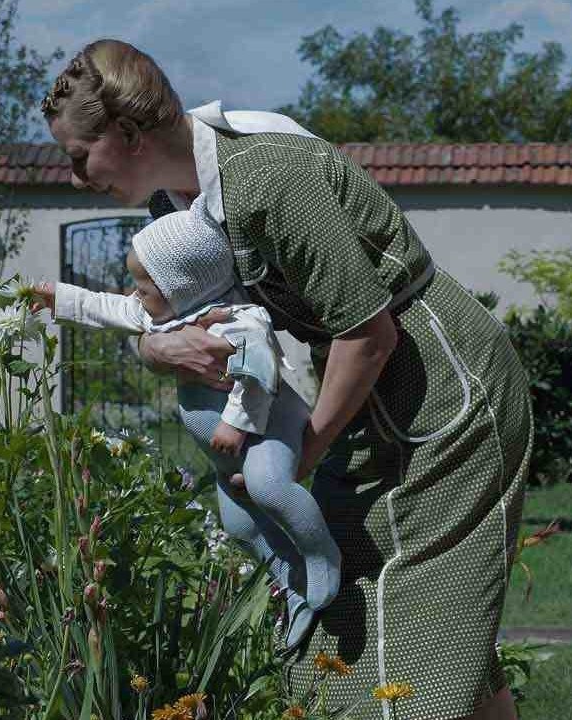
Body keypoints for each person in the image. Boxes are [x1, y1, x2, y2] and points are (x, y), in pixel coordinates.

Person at [40, 39, 534, 720]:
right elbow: (180, 323)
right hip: (369, 394)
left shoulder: (268, 177)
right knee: (387, 606)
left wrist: (302, 456)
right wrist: (161, 353)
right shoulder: (179, 210)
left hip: (439, 382)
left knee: (394, 609)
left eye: (78, 156)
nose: (74, 177)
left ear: (125, 133)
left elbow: (369, 334)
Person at [33, 194, 342, 651]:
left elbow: (260, 373)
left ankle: (321, 557)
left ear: (181, 285)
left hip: (266, 431)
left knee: (269, 487)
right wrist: (58, 297)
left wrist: (236, 423)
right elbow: (109, 308)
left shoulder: (240, 321)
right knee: (240, 526)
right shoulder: (167, 315)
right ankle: (290, 577)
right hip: (225, 453)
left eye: (144, 286)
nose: (134, 293)